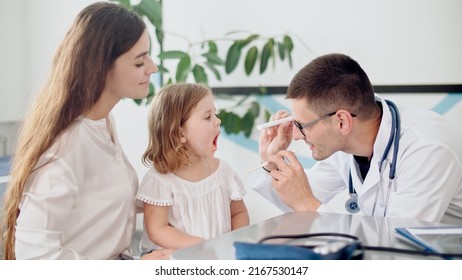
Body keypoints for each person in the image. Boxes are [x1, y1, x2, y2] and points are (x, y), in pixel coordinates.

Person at [1, 2, 165, 259]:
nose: (153, 67)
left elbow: (99, 204)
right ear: (101, 68)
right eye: (138, 62)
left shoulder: (103, 123)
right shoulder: (66, 147)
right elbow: (33, 259)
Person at [252, 53, 462, 225]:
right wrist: (271, 165)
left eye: (301, 125)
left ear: (342, 121)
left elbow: (401, 243)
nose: (295, 136)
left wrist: (308, 204)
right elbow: (297, 199)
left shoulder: (427, 147)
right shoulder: (344, 144)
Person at [136, 83, 249, 255]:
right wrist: (201, 245)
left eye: (215, 114)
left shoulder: (224, 172)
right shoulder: (159, 180)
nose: (218, 120)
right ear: (180, 134)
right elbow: (157, 230)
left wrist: (234, 242)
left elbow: (238, 212)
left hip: (218, 259)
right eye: (207, 117)